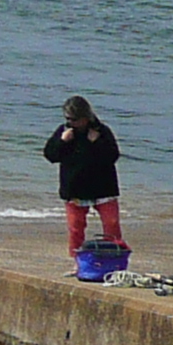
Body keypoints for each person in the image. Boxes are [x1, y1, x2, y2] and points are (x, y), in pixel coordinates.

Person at [45, 97, 126, 259]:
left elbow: (112, 157)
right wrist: (62, 142)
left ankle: (114, 258)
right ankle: (78, 263)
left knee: (112, 225)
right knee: (76, 228)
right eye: (68, 119)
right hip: (75, 189)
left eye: (74, 119)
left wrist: (96, 143)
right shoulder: (64, 132)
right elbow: (50, 155)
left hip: (103, 188)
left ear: (85, 117)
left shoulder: (101, 131)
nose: (71, 122)